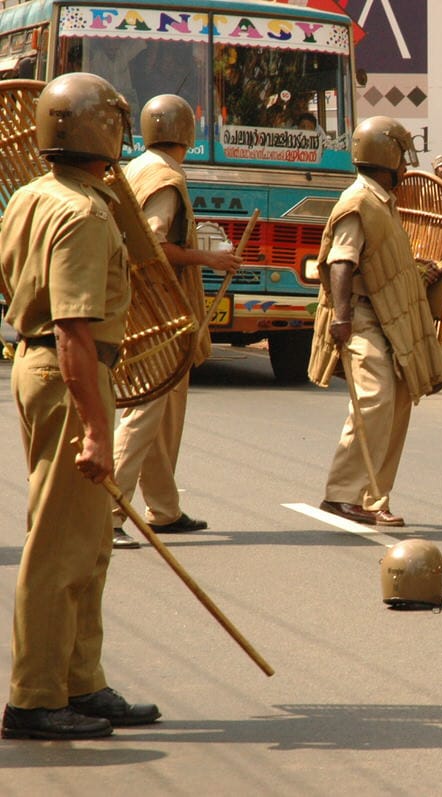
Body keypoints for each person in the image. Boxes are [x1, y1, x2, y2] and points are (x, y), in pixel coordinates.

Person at [0, 73, 160, 740]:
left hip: (47, 368)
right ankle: (36, 695)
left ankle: (80, 681)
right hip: (73, 372)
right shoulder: (85, 213)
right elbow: (72, 328)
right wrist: (97, 431)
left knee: (89, 537)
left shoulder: (29, 197)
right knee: (61, 544)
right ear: (107, 133)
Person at [110, 95, 243, 550]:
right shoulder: (165, 177)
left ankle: (163, 509)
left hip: (146, 303)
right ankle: (109, 513)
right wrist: (209, 257)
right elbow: (152, 244)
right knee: (145, 411)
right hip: (158, 308)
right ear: (188, 133)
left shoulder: (137, 166)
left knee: (163, 411)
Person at [307, 116, 442, 526]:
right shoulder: (357, 203)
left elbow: (379, 259)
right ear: (387, 157)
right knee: (374, 400)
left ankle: (373, 499)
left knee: (399, 401)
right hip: (363, 318)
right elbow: (341, 262)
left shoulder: (381, 202)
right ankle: (341, 494)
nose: (405, 169)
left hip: (392, 321)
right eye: (402, 159)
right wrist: (342, 319)